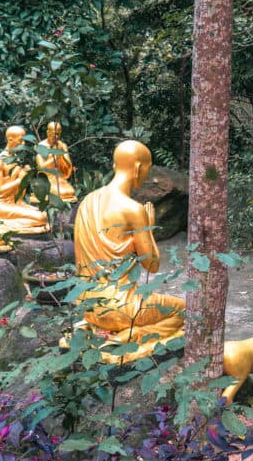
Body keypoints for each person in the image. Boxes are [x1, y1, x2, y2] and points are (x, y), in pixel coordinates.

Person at [73, 140, 184, 362]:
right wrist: (148, 229)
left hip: (86, 305)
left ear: (115, 166)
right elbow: (152, 265)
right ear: (138, 169)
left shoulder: (87, 201)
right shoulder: (133, 209)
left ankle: (103, 332)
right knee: (184, 310)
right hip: (121, 308)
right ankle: (125, 338)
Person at [0, 126, 49, 234]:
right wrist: (20, 179)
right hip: (0, 206)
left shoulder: (16, 158)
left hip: (16, 203)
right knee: (40, 218)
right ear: (10, 140)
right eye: (20, 140)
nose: (23, 144)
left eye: (24, 140)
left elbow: (18, 191)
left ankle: (8, 224)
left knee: (43, 215)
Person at [36, 122, 77, 203]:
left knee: (70, 191)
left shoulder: (62, 145)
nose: (56, 137)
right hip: (46, 179)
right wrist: (55, 157)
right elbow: (41, 168)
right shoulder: (41, 146)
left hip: (58, 178)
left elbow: (68, 167)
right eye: (53, 134)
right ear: (48, 133)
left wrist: (62, 155)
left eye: (58, 134)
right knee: (60, 192)